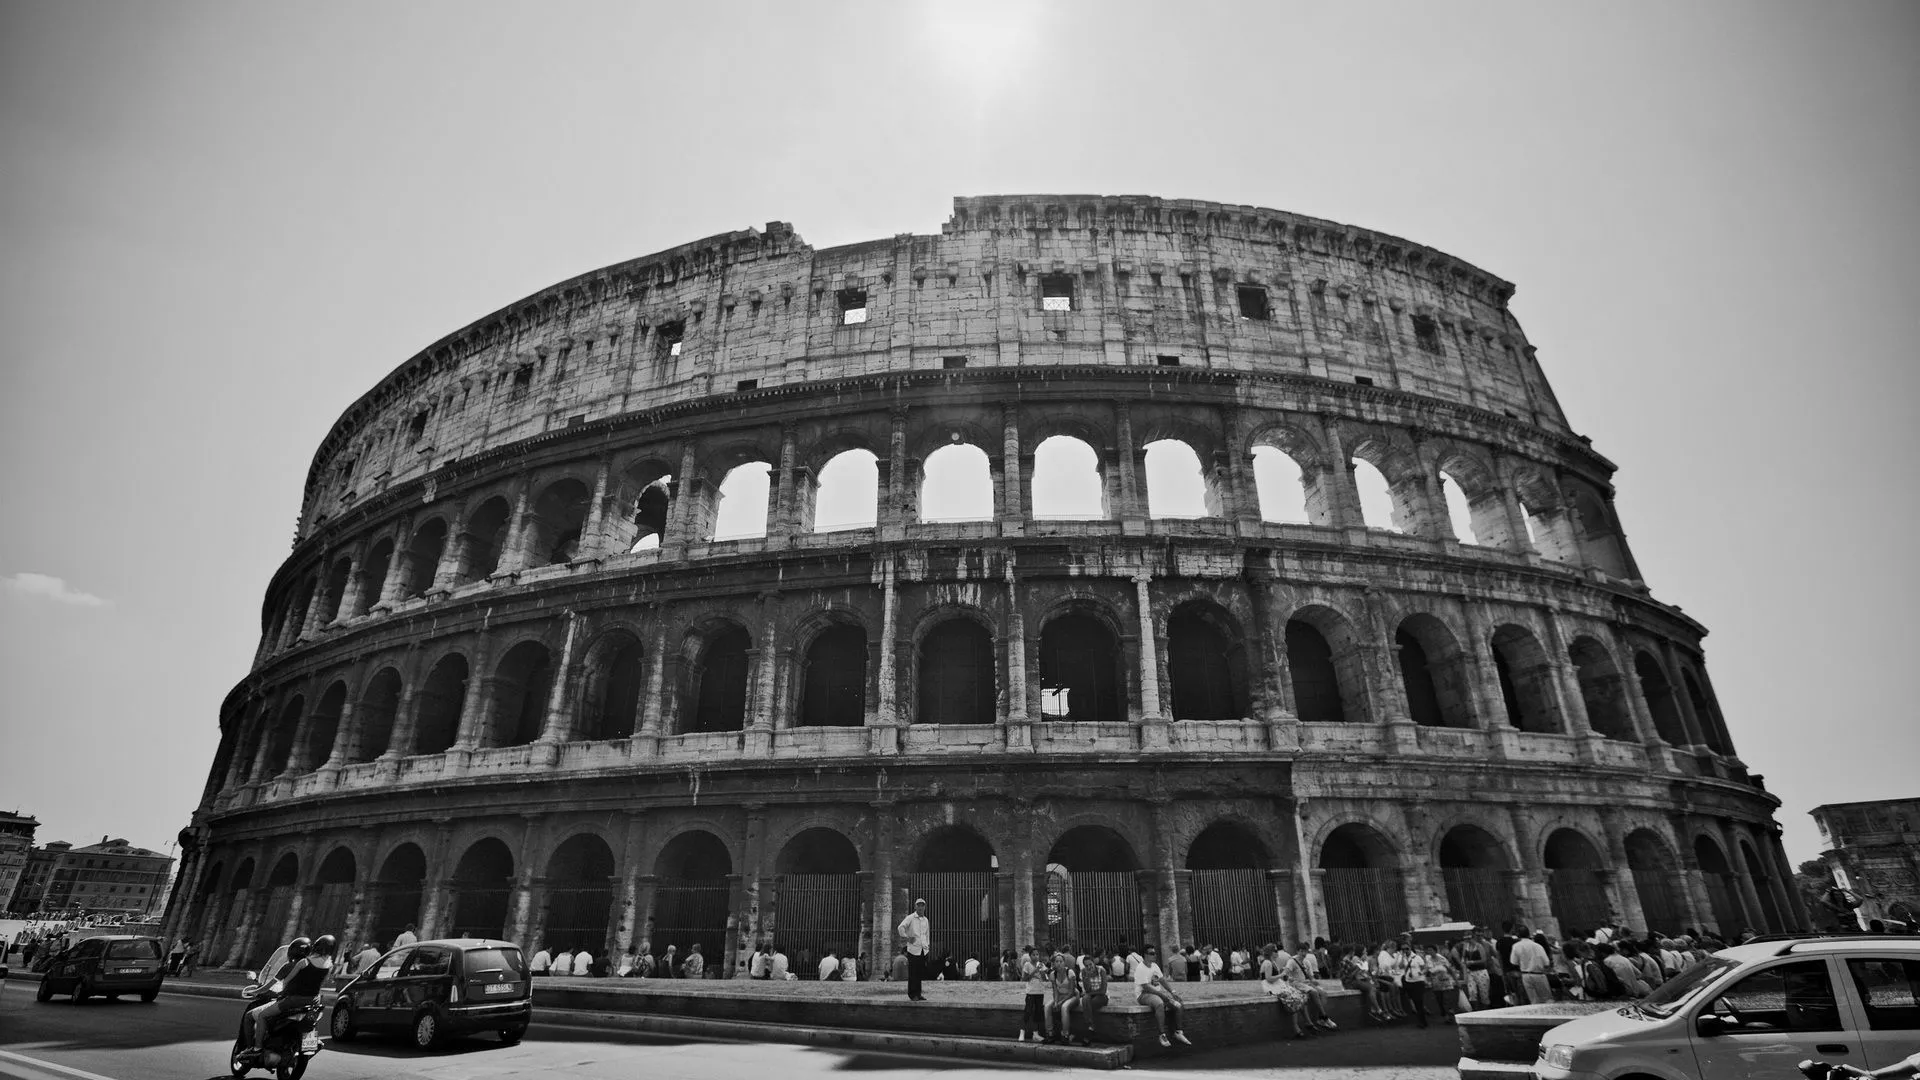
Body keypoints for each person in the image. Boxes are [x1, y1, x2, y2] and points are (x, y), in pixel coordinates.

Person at [247, 935, 335, 1055]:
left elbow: (287, 981)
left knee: (262, 1015)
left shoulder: (304, 962)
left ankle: (257, 1048)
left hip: (294, 1000)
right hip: (314, 1001)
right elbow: (324, 981)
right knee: (310, 1023)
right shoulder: (329, 965)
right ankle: (311, 1045)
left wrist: (284, 991)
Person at [1134, 945, 1193, 1047]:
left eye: (1155, 953)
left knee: (1178, 1003)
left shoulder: (1155, 966)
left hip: (1157, 993)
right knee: (1160, 1004)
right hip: (1144, 994)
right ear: (1145, 955)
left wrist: (1172, 992)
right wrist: (1161, 995)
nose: (1155, 955)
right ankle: (1162, 1034)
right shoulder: (1140, 968)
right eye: (1152, 953)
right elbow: (1145, 986)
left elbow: (1162, 980)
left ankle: (1178, 1032)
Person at [1262, 944, 1317, 1039]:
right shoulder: (1267, 963)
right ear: (1271, 953)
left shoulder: (1272, 962)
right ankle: (1296, 1028)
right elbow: (1268, 978)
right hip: (1271, 987)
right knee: (1294, 999)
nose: (1277, 952)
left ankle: (1306, 1024)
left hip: (1276, 985)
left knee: (1300, 996)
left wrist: (1284, 976)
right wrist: (1281, 975)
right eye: (1275, 951)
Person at [1508, 926, 1553, 1004]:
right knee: (1546, 999)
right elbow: (1546, 962)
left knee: (1534, 1000)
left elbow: (1513, 962)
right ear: (1529, 934)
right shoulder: (1538, 946)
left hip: (1526, 975)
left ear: (1518, 935)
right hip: (1539, 974)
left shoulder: (1516, 946)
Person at [897, 898, 930, 1001]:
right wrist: (907, 937)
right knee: (913, 973)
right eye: (918, 905)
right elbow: (900, 927)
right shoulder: (910, 918)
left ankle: (918, 993)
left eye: (922, 905)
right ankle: (912, 994)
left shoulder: (925, 920)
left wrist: (927, 946)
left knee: (919, 973)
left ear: (924, 907)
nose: (920, 907)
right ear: (915, 906)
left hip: (923, 950)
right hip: (913, 950)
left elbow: (927, 934)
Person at [1047, 950, 1083, 1045]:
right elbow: (1055, 990)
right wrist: (1055, 1002)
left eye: (1061, 961)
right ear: (1054, 963)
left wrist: (1060, 1002)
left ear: (1064, 962)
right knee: (1047, 1006)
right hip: (1060, 995)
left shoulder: (1070, 972)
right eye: (1057, 961)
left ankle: (1065, 1035)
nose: (1059, 963)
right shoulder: (1052, 974)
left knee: (1064, 1007)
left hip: (1073, 996)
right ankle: (1050, 1033)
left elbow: (1071, 992)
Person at [1075, 949, 1109, 1045]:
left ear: (1094, 963)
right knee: (1085, 1000)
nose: (1089, 967)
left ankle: (1089, 1029)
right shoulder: (1084, 972)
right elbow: (1088, 989)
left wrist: (1089, 994)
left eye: (1090, 964)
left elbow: (1103, 990)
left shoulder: (1101, 970)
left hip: (1102, 997)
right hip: (1091, 996)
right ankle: (1091, 1028)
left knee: (1088, 1003)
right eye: (1086, 966)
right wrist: (1086, 977)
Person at [1455, 929, 1493, 1010]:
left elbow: (1484, 959)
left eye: (1469, 939)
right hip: (1471, 971)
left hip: (1480, 971)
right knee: (1472, 992)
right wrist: (1463, 961)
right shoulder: (1466, 946)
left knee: (1484, 993)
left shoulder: (1479, 946)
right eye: (1466, 939)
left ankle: (1486, 1010)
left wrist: (1472, 962)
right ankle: (1475, 1010)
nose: (1468, 941)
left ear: (1472, 938)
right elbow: (1463, 957)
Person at [1425, 943, 1461, 1023]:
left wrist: (1456, 981)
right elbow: (1428, 972)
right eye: (1428, 950)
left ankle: (1449, 1014)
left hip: (1445, 982)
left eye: (1431, 950)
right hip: (1436, 984)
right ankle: (1445, 1016)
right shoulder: (1428, 960)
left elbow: (1450, 970)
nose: (1429, 952)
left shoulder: (1442, 959)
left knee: (1446, 1000)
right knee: (1439, 1001)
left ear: (1435, 950)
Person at [1017, 947, 1047, 1042]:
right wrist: (1035, 971)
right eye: (1033, 954)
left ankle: (1036, 1033)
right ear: (1030, 956)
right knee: (1028, 1011)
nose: (1036, 956)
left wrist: (1042, 971)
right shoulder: (1027, 965)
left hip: (1040, 991)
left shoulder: (1041, 965)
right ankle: (1022, 1032)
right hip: (1031, 992)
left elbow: (1044, 979)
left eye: (1037, 954)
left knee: (1037, 1013)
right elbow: (1025, 978)